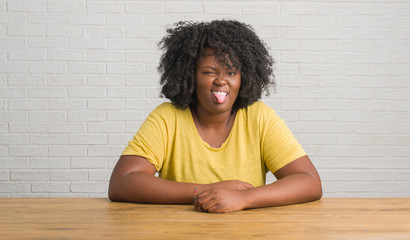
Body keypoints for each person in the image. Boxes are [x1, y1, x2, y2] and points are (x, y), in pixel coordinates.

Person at [108, 20, 322, 213]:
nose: (221, 81)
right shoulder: (167, 117)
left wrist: (244, 198)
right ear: (190, 75)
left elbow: (309, 182)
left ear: (243, 77)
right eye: (209, 72)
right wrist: (205, 191)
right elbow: (122, 182)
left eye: (231, 73)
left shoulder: (258, 117)